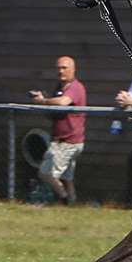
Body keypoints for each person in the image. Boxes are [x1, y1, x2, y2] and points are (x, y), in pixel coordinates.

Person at [30, 56, 87, 205]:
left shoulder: (75, 87)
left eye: (64, 68)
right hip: (60, 139)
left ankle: (64, 198)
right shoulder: (59, 88)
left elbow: (63, 103)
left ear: (73, 69)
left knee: (45, 173)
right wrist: (42, 102)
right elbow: (54, 111)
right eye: (58, 68)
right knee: (67, 178)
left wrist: (43, 101)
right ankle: (72, 204)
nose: (61, 71)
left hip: (69, 141)